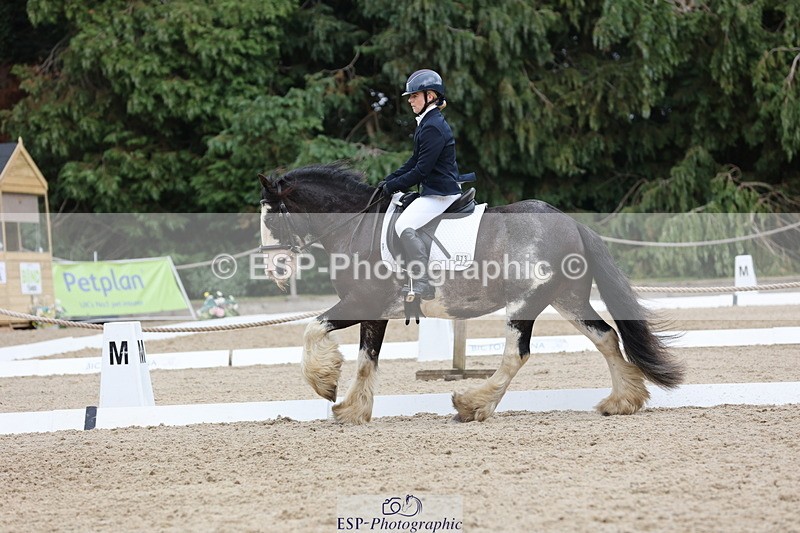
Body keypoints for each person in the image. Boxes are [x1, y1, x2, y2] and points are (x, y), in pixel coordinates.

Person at [378, 69, 463, 300]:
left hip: (441, 194)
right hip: (433, 191)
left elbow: (421, 171)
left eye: (414, 95)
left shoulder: (433, 126)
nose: (410, 100)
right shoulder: (427, 123)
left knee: (404, 224)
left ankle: (422, 282)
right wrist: (389, 180)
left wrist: (393, 186)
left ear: (431, 96)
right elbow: (414, 161)